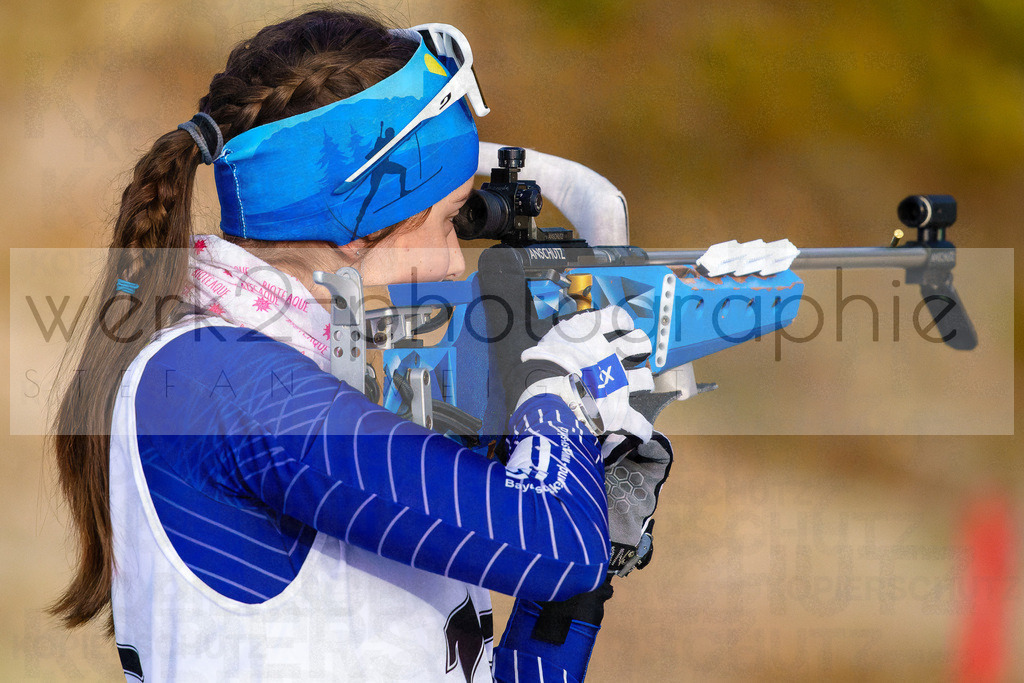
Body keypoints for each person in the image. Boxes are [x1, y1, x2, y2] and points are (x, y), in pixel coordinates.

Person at [49, 9, 671, 682]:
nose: (455, 263)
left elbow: (554, 571)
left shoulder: (290, 375)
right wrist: (557, 398)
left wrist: (590, 530)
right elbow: (552, 544)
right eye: (445, 221)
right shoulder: (217, 382)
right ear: (357, 217)